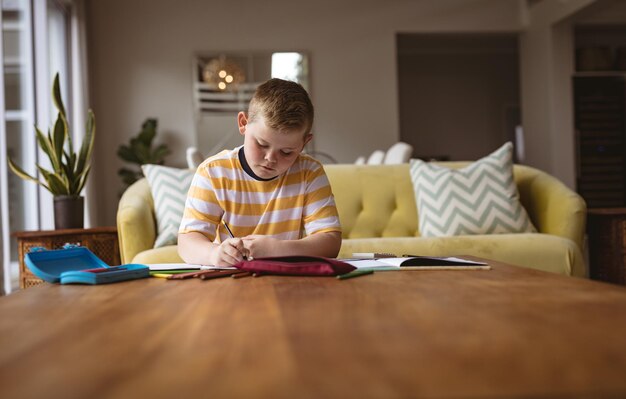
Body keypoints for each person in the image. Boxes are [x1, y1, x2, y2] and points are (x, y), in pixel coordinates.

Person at [178, 78, 342, 266]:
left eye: (287, 152)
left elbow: (330, 241)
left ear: (305, 142)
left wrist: (278, 250)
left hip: (289, 282)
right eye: (262, 144)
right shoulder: (213, 173)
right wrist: (214, 254)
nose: (271, 158)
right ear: (243, 123)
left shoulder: (310, 172)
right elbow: (187, 242)